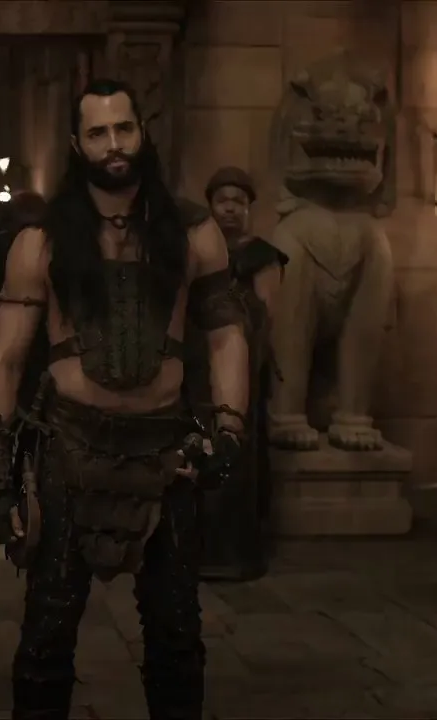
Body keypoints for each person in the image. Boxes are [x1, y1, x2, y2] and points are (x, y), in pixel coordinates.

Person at [0, 79, 250, 720]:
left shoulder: (193, 231)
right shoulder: (40, 240)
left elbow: (226, 333)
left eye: (123, 128)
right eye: (97, 133)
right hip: (68, 451)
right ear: (77, 145)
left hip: (167, 452)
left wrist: (230, 430)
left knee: (176, 636)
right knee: (46, 637)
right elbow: (5, 356)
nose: (114, 144)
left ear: (142, 132)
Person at [191, 166, 287, 580]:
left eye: (239, 202)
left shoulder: (262, 256)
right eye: (223, 201)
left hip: (243, 364)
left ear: (249, 208)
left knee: (238, 453)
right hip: (199, 365)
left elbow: (266, 315)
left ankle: (235, 551)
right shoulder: (200, 252)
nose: (230, 208)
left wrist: (249, 360)